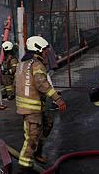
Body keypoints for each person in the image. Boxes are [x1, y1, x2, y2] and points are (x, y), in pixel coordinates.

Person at [15, 36, 66, 172]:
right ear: (37, 49)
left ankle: (37, 152)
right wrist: (57, 99)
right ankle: (24, 167)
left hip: (31, 106)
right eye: (44, 50)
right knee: (32, 138)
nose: (45, 53)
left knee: (47, 123)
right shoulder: (36, 65)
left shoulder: (22, 64)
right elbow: (41, 84)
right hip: (32, 108)